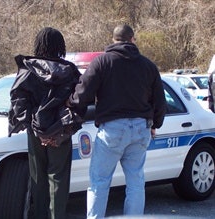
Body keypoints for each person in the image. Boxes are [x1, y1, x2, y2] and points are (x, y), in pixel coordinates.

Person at [68, 24, 166, 218]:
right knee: (136, 182)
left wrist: (70, 107)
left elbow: (82, 93)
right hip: (140, 129)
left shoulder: (102, 62)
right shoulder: (148, 66)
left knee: (99, 182)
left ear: (113, 40)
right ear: (132, 39)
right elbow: (160, 101)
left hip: (112, 130)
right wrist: (155, 124)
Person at [8, 27, 84, 219]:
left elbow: (18, 101)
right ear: (60, 46)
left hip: (35, 132)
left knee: (38, 178)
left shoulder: (28, 69)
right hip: (61, 132)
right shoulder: (70, 71)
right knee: (58, 178)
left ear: (38, 44)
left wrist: (35, 129)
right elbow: (79, 103)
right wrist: (61, 132)